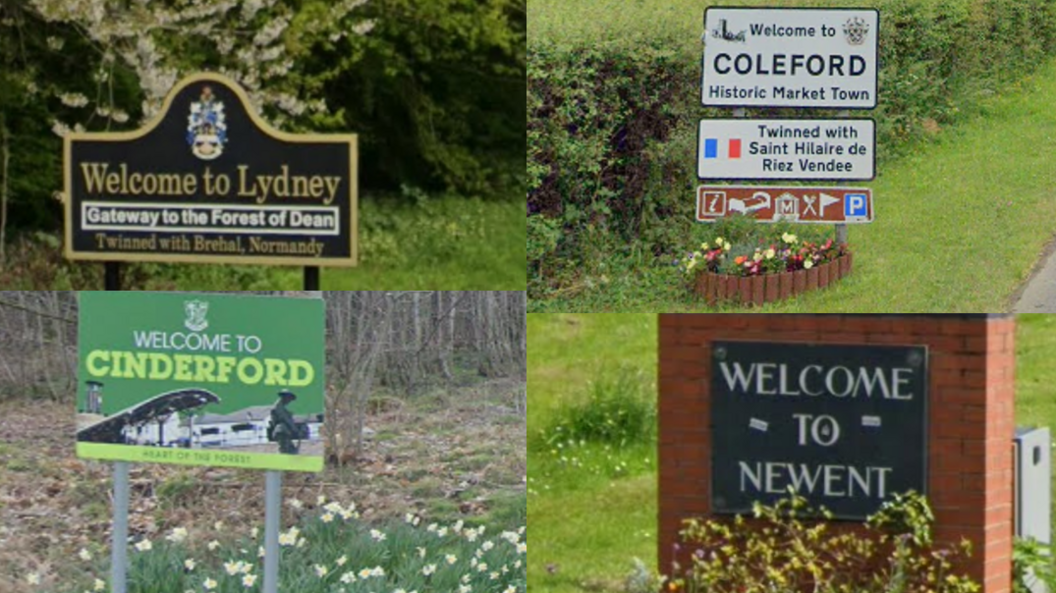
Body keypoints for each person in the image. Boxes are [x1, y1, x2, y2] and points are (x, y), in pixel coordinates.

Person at [269, 389, 300, 454]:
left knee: (292, 451)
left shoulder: (282, 408)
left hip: (286, 432)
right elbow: (285, 420)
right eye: (289, 399)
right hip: (282, 431)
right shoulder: (278, 407)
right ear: (285, 397)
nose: (289, 401)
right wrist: (295, 430)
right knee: (285, 451)